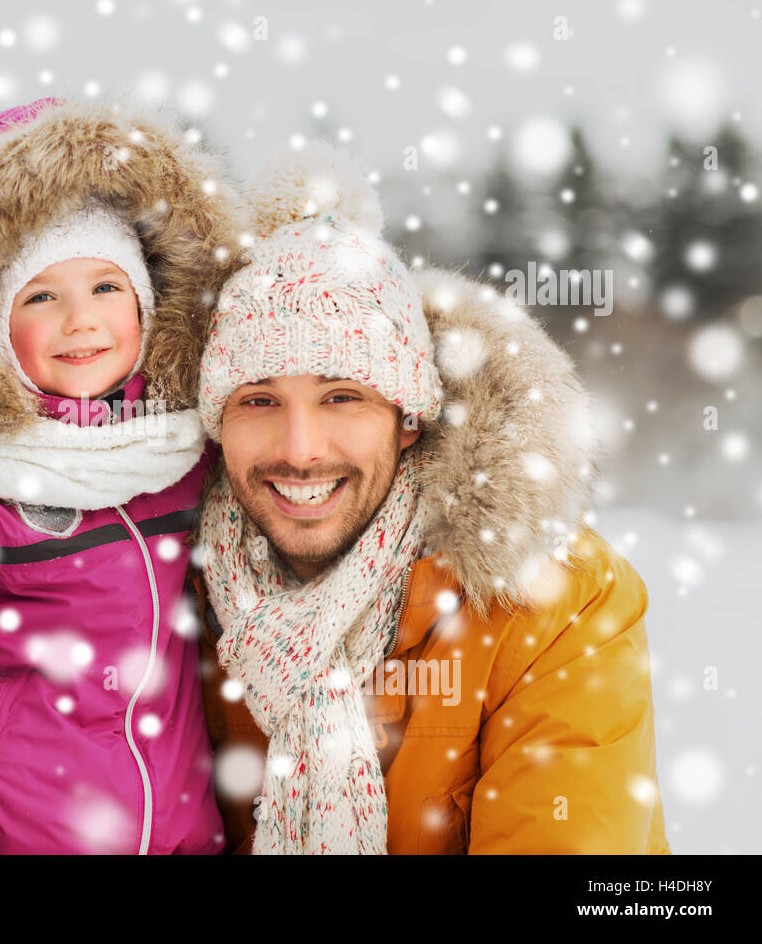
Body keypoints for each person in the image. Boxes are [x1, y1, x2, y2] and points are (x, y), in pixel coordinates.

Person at [193, 140, 671, 854]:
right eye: (259, 400)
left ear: (408, 417)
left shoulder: (551, 600)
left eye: (342, 397)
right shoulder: (162, 595)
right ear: (217, 425)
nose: (299, 448)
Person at [0, 99, 243, 853]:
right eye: (42, 296)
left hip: (182, 823)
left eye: (106, 287)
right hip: (23, 826)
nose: (82, 321)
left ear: (147, 302)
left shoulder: (189, 451)